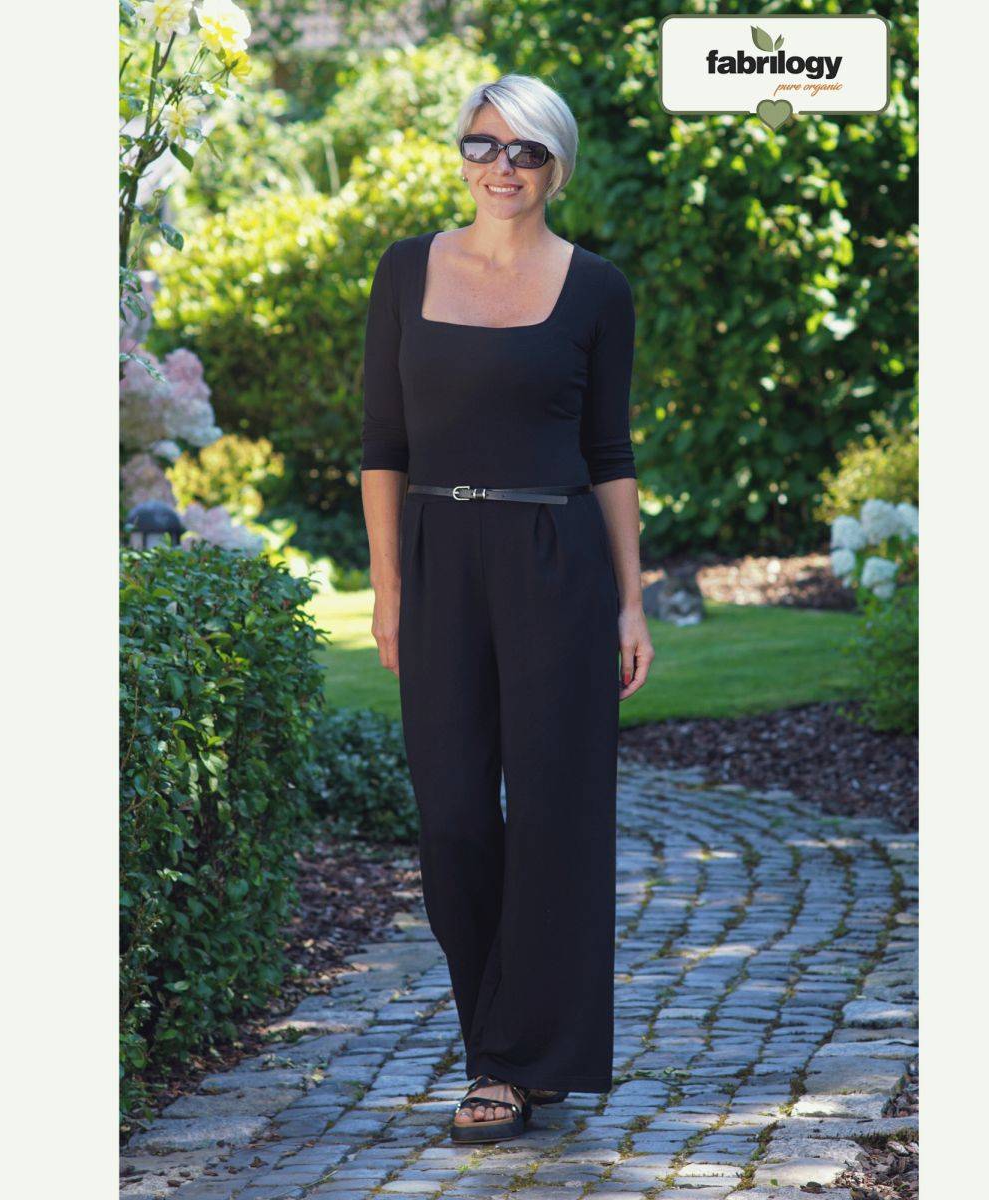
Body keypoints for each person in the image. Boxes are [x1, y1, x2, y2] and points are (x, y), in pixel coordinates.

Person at [359, 73, 654, 1145]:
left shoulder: (596, 289)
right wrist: (390, 588)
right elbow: (382, 445)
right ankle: (510, 1034)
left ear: (555, 166)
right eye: (484, 144)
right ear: (462, 154)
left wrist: (631, 602)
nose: (502, 166)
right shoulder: (406, 271)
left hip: (555, 558)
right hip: (439, 557)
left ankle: (508, 1064)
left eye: (527, 150)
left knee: (555, 814)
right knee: (449, 817)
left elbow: (609, 454)